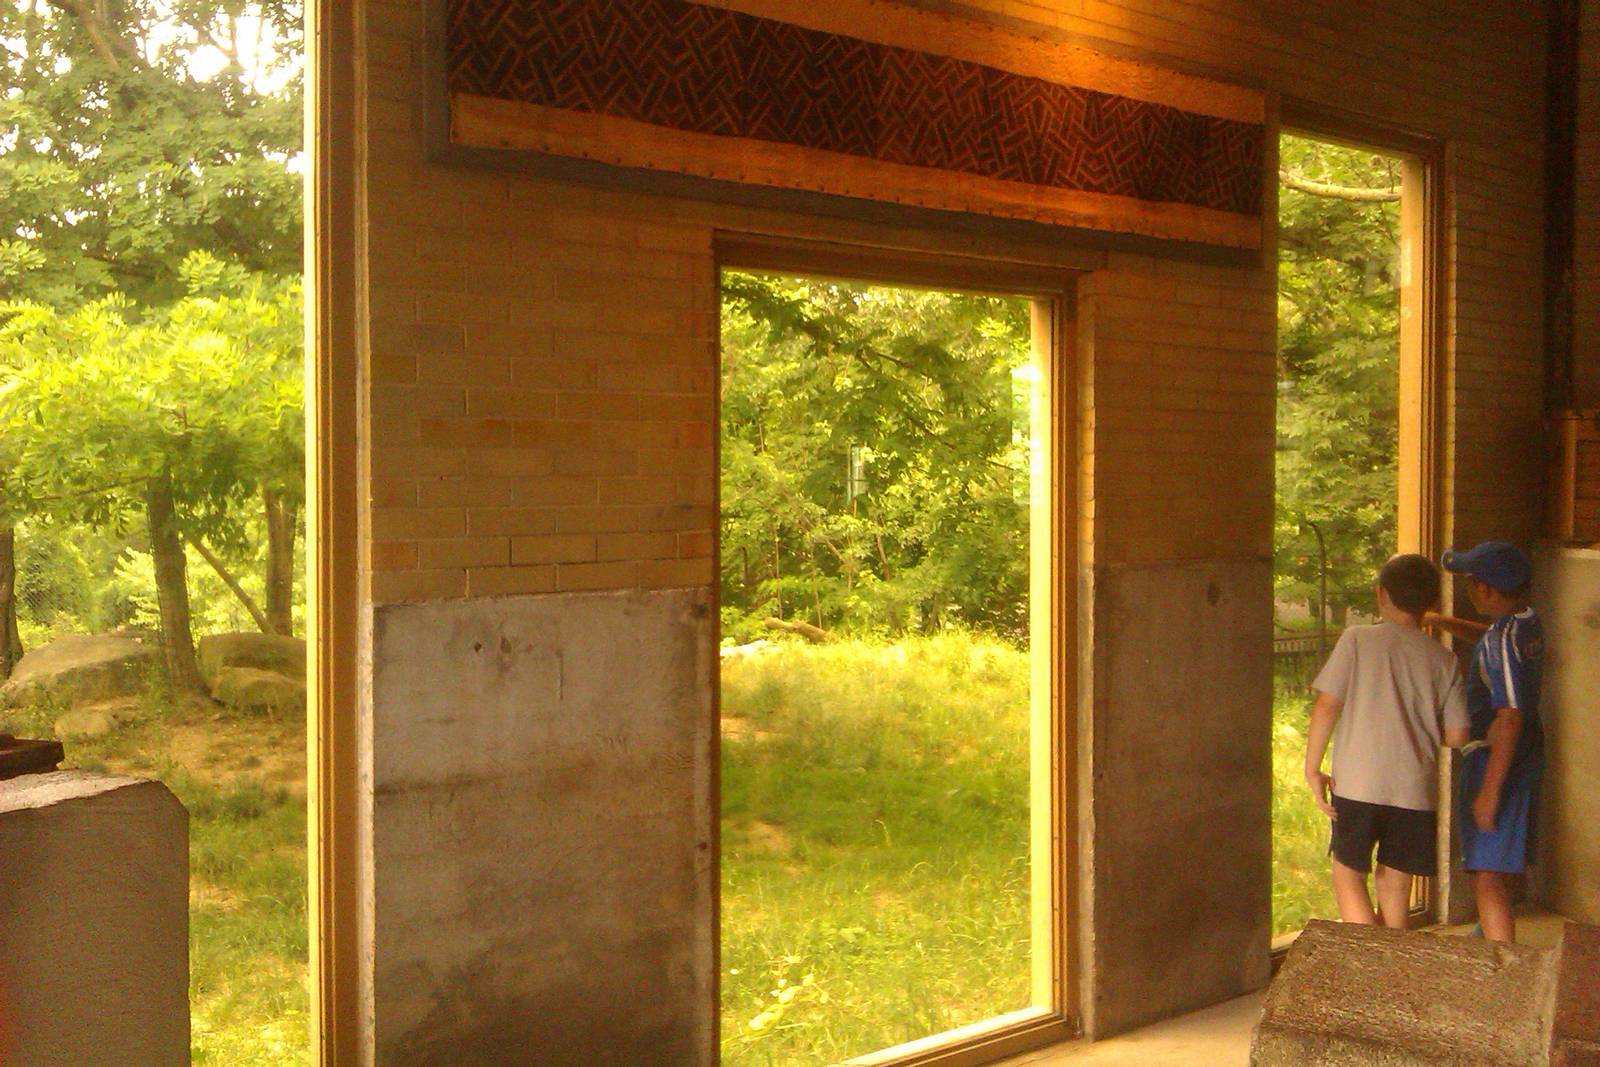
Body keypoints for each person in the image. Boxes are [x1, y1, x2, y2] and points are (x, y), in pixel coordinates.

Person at [1304, 553, 1470, 929]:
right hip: (1414, 791)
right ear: (1433, 604)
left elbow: (1328, 704)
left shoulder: (1358, 640)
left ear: (1381, 594)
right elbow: (1458, 735)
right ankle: (1393, 973)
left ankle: (1367, 971)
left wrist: (1312, 767)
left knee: (1348, 874)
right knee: (1395, 888)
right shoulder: (1444, 660)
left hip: (1358, 784)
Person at [1428, 540, 1543, 943]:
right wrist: (1447, 624)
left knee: (1488, 876)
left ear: (1485, 589)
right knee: (1503, 865)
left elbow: (1508, 717)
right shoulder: (1525, 624)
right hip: (1526, 756)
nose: (1469, 588)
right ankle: (1488, 941)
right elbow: (1491, 639)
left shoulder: (1500, 643)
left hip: (1496, 759)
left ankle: (1503, 970)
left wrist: (1489, 791)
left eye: (1472, 582)